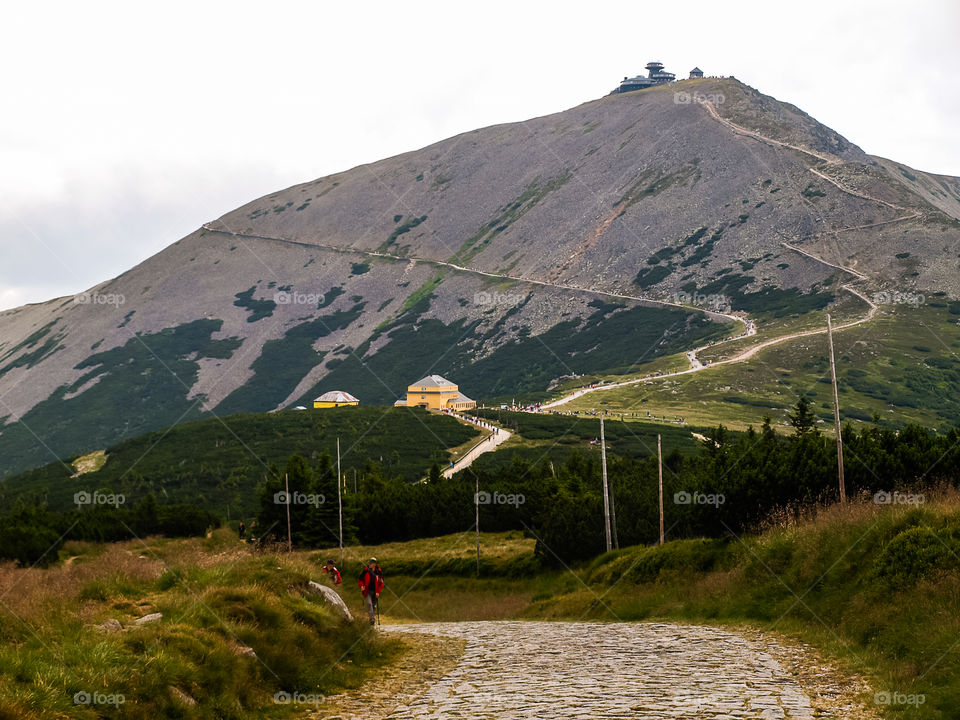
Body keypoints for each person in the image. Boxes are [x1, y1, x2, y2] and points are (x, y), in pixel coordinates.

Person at [357, 557, 384, 626]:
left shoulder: (379, 572)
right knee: (369, 604)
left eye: (371, 563)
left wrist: (378, 592)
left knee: (374, 606)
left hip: (375, 591)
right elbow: (360, 580)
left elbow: (381, 583)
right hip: (367, 591)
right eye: (369, 563)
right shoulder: (366, 570)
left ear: (374, 564)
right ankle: (372, 619)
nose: (369, 564)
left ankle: (372, 619)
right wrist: (362, 586)